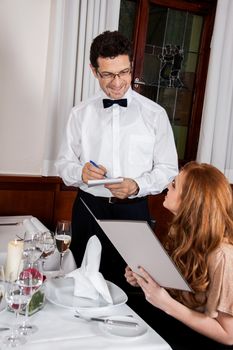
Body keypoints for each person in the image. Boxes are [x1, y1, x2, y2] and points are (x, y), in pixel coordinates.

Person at [55, 30, 178, 293]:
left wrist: (136, 185)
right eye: (108, 74)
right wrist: (81, 172)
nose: (118, 82)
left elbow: (168, 169)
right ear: (93, 71)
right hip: (88, 209)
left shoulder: (155, 114)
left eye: (124, 72)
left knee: (133, 289)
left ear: (131, 66)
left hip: (134, 212)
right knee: (81, 285)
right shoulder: (79, 114)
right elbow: (63, 165)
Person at [125, 161, 233, 350]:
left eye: (174, 184)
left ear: (190, 201)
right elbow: (177, 289)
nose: (167, 186)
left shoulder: (222, 255)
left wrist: (165, 303)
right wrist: (143, 278)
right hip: (174, 323)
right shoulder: (182, 232)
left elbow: (228, 335)